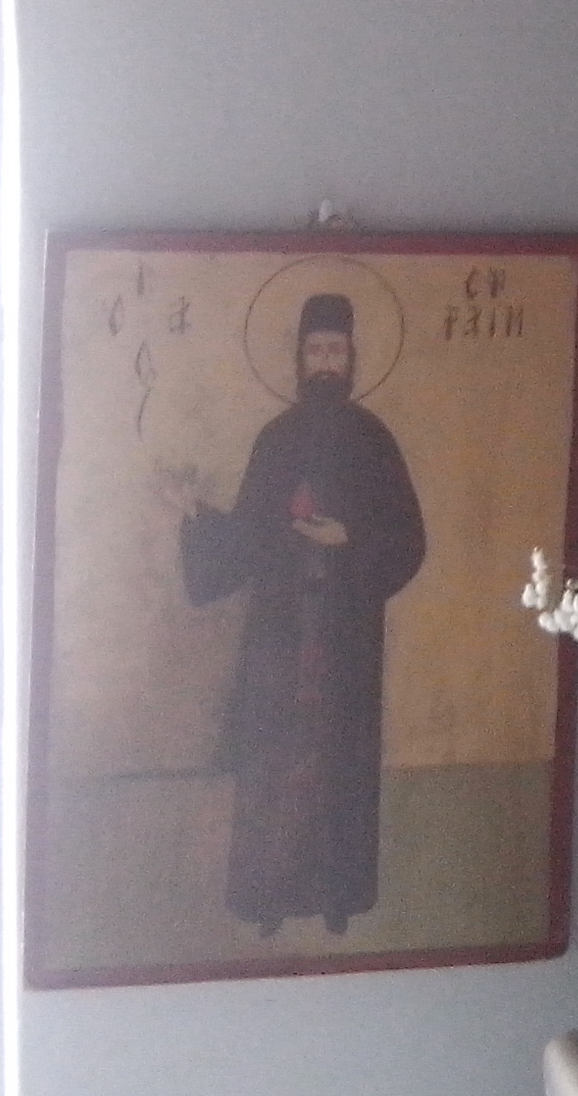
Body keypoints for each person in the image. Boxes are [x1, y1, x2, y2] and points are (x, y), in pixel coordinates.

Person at [180, 291, 425, 936]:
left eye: (335, 350)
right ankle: (268, 900)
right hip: (281, 636)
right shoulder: (277, 439)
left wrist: (349, 539)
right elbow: (248, 536)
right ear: (299, 358)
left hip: (346, 633)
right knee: (273, 764)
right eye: (315, 350)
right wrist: (199, 520)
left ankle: (338, 898)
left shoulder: (373, 440)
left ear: (352, 357)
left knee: (341, 766)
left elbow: (407, 539)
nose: (325, 362)